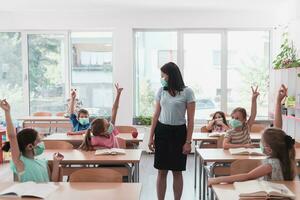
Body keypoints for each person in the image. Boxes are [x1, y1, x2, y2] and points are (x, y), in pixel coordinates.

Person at [208, 84, 296, 186]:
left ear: (269, 149)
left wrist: (216, 180)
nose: (260, 144)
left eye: (262, 142)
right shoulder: (287, 159)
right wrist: (278, 102)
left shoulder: (271, 164)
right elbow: (278, 129)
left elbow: (247, 176)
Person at [148, 62, 196, 200]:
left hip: (179, 133)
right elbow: (156, 115)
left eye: (163, 75)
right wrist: (151, 137)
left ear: (171, 75)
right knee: (161, 171)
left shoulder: (187, 92)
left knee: (177, 171)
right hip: (162, 131)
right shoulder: (161, 91)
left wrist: (188, 141)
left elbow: (191, 120)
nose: (161, 77)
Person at [0, 99, 63, 182]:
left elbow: (53, 181)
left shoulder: (43, 162)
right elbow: (12, 137)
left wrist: (56, 163)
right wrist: (7, 112)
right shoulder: (20, 162)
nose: (42, 144)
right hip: (27, 195)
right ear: (30, 146)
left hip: (45, 194)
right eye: (39, 141)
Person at [79, 83, 123, 150]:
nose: (110, 125)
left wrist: (118, 94)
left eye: (108, 123)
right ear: (102, 132)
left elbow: (115, 109)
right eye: (107, 125)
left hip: (116, 159)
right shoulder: (95, 140)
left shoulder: (111, 131)